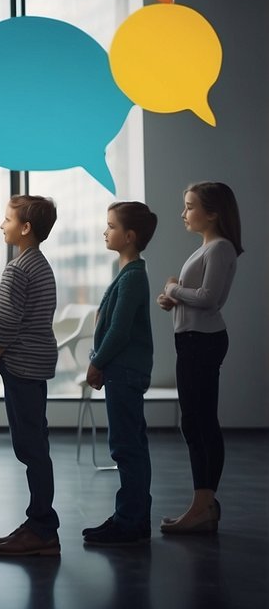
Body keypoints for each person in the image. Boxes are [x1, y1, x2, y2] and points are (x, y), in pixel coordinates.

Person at [157, 182, 242, 535]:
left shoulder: (220, 248)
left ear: (213, 213)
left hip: (202, 342)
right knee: (195, 422)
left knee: (200, 423)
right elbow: (199, 297)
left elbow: (208, 298)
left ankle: (203, 505)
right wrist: (172, 300)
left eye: (190, 206)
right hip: (193, 340)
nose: (183, 213)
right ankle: (202, 504)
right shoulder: (208, 247)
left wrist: (173, 289)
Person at [0, 195, 60, 556]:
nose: (2, 225)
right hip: (36, 365)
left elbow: (6, 321)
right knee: (35, 444)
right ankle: (39, 523)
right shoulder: (40, 264)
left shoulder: (18, 268)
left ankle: (42, 527)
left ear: (25, 228)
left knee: (30, 447)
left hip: (22, 366)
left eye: (7, 219)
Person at [83, 201, 158, 546]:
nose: (105, 231)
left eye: (111, 226)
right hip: (122, 371)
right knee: (131, 445)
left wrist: (97, 362)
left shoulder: (132, 278)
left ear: (129, 236)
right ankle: (132, 516)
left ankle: (130, 520)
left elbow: (119, 331)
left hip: (123, 372)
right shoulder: (128, 274)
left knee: (125, 447)